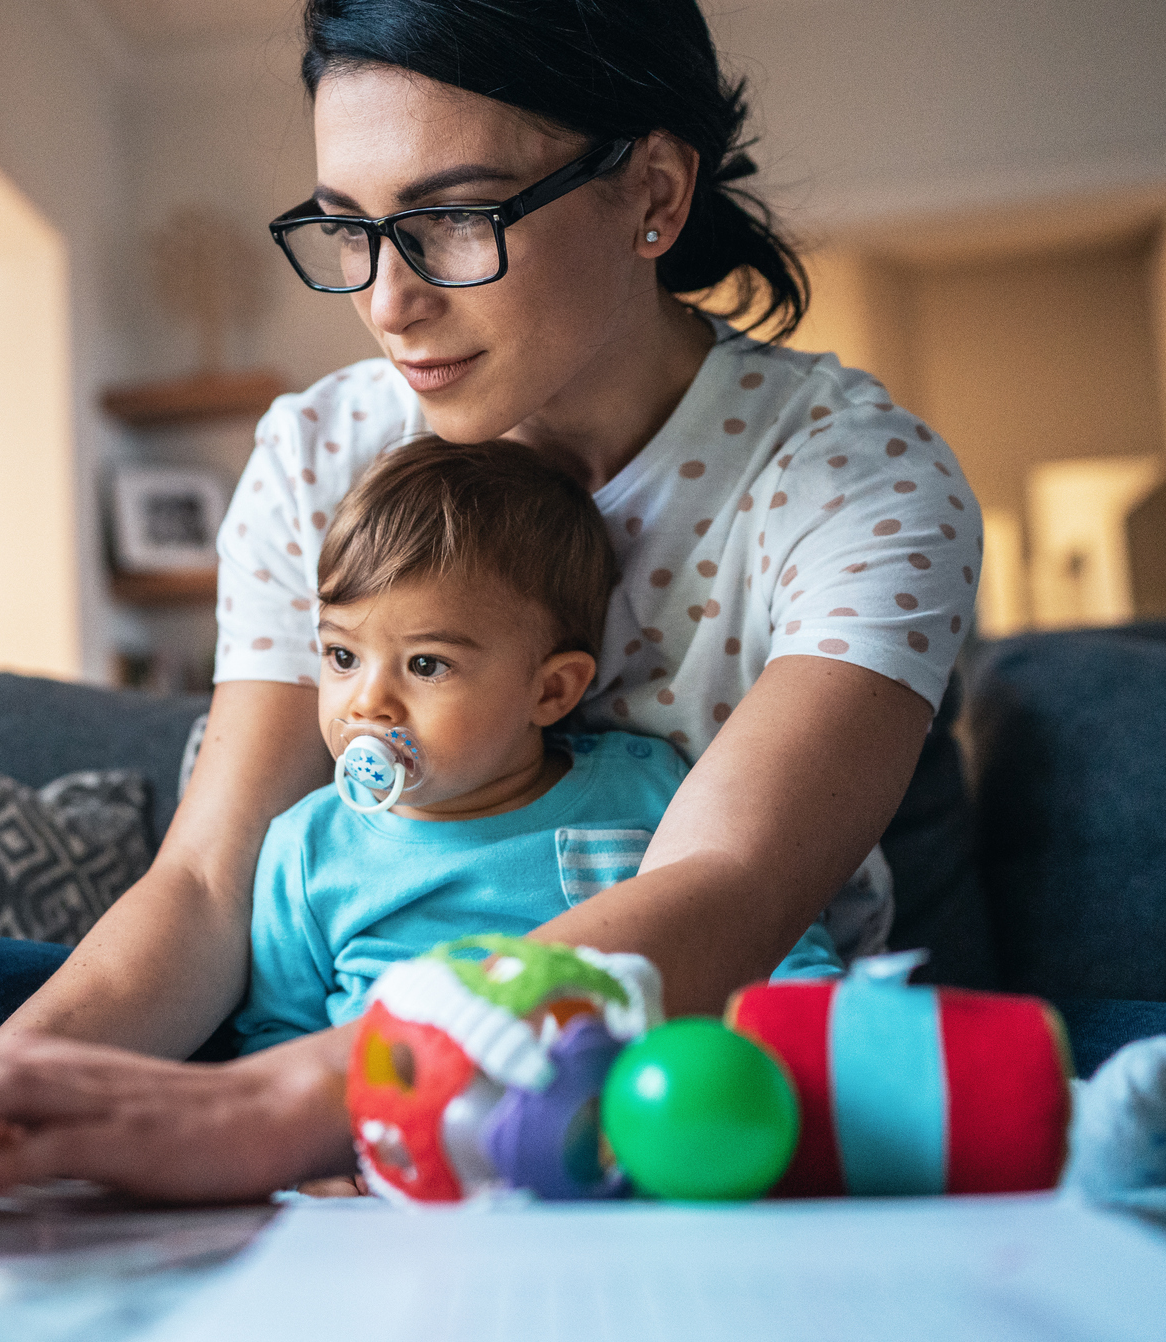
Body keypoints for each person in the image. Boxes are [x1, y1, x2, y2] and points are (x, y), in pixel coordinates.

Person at [0, 0, 981, 1209]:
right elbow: (213, 883)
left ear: (653, 192)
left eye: (454, 219)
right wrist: (1, 1088)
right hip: (333, 1005)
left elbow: (721, 890)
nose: (388, 299)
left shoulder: (853, 476)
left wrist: (276, 1104)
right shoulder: (320, 445)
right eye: (351, 227)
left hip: (684, 1041)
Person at [237, 436, 843, 1063]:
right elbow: (274, 1041)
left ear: (551, 691)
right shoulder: (306, 851)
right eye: (342, 656)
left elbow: (777, 947)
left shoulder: (647, 791)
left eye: (426, 664)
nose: (368, 703)